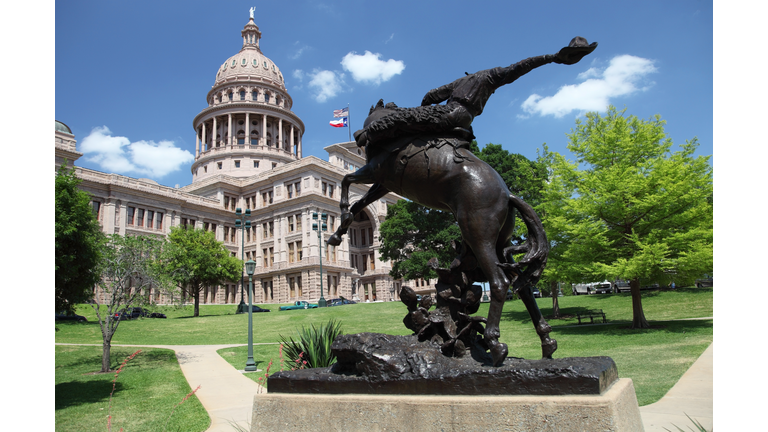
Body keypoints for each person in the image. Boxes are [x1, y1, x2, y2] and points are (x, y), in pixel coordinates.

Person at [354, 37, 597, 148]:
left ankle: (368, 135)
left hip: (452, 113)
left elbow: (430, 95)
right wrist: (551, 58)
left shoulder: (464, 79)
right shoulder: (491, 75)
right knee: (411, 116)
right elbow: (520, 67)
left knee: (403, 116)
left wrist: (422, 111)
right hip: (464, 119)